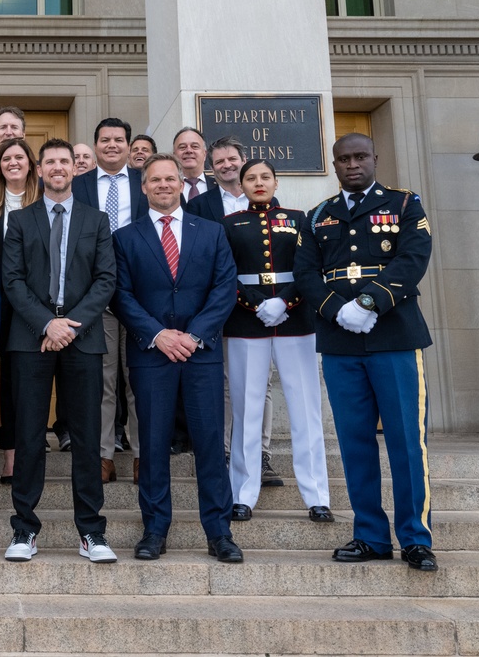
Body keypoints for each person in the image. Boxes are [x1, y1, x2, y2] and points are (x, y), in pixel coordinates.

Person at [294, 132, 436, 571]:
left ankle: (414, 536)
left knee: (406, 443)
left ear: (375, 158)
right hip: (341, 344)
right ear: (334, 165)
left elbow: (413, 259)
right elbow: (306, 272)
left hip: (394, 337)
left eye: (360, 156)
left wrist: (371, 302)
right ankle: (370, 535)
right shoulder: (318, 216)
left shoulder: (405, 204)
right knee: (355, 444)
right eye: (343, 159)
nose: (352, 164)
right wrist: (338, 311)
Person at [111, 153, 241, 563]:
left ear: (182, 185)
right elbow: (121, 295)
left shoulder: (212, 233)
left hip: (200, 354)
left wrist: (194, 335)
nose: (164, 185)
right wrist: (158, 335)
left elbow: (225, 287)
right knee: (151, 446)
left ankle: (219, 533)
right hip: (152, 355)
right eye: (155, 180)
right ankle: (154, 529)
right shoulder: (125, 238)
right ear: (144, 187)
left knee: (209, 446)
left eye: (171, 178)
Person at [2, 138, 117, 563]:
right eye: (49, 162)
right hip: (30, 338)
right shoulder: (20, 220)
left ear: (75, 169)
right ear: (39, 169)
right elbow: (11, 280)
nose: (57, 168)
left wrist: (69, 325)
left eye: (64, 162)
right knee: (29, 435)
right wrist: (46, 323)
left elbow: (106, 279)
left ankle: (91, 532)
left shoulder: (97, 220)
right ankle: (24, 530)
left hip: (82, 338)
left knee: (86, 438)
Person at [221, 159, 332, 523]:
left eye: (264, 177)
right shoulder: (228, 224)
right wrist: (256, 304)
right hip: (246, 321)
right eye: (250, 178)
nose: (258, 183)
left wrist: (284, 301)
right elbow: (224, 273)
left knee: (305, 409)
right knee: (246, 410)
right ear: (241, 185)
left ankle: (317, 496)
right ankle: (243, 493)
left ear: (276, 181)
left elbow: (310, 268)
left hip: (295, 319)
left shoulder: (300, 219)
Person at [188, 136, 283, 486]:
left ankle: (262, 454)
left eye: (232, 159)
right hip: (220, 304)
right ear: (210, 169)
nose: (226, 165)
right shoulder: (199, 205)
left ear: (243, 160)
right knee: (227, 382)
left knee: (263, 381)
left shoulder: (268, 199)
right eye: (219, 162)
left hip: (261, 306)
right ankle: (228, 452)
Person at [73, 117, 146, 484]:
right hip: (94, 294)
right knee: (101, 381)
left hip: (140, 296)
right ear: (96, 144)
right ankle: (102, 455)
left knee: (138, 380)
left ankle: (140, 454)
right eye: (105, 140)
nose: (112, 145)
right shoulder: (78, 184)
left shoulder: (145, 182)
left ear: (129, 146)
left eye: (119, 139)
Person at [0, 137, 42, 480]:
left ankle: (33, 450)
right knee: (8, 385)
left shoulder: (47, 202)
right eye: (6, 159)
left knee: (33, 383)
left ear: (31, 164)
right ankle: (11, 456)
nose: (13, 162)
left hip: (38, 310)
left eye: (20, 157)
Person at [173, 127, 210, 201]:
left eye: (195, 146)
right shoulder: (167, 187)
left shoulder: (219, 186)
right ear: (174, 155)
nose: (189, 150)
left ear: (205, 154)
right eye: (182, 147)